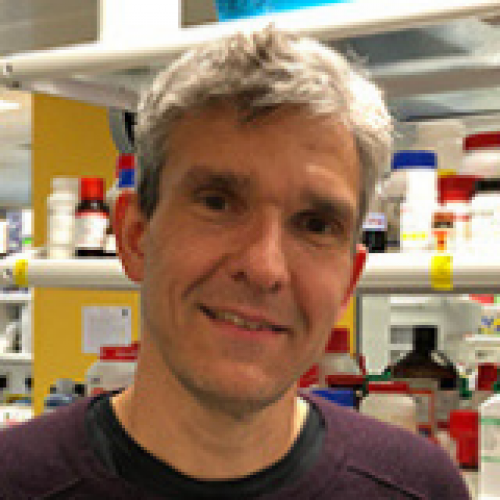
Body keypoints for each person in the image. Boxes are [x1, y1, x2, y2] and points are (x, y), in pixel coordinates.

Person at [0, 26, 471, 499]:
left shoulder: (418, 489)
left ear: (348, 279)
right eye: (218, 203)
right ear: (135, 236)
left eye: (315, 225)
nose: (265, 268)